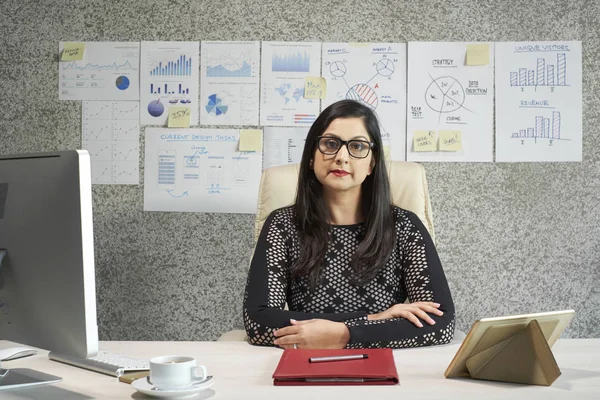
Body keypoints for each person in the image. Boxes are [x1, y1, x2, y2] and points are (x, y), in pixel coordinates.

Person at [243, 99, 455, 349]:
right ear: (312, 156)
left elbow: (439, 323)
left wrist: (345, 335)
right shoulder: (283, 224)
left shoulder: (403, 226)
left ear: (372, 162)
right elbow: (258, 322)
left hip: (387, 369)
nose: (342, 157)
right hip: (307, 367)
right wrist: (370, 320)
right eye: (330, 144)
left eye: (357, 146)